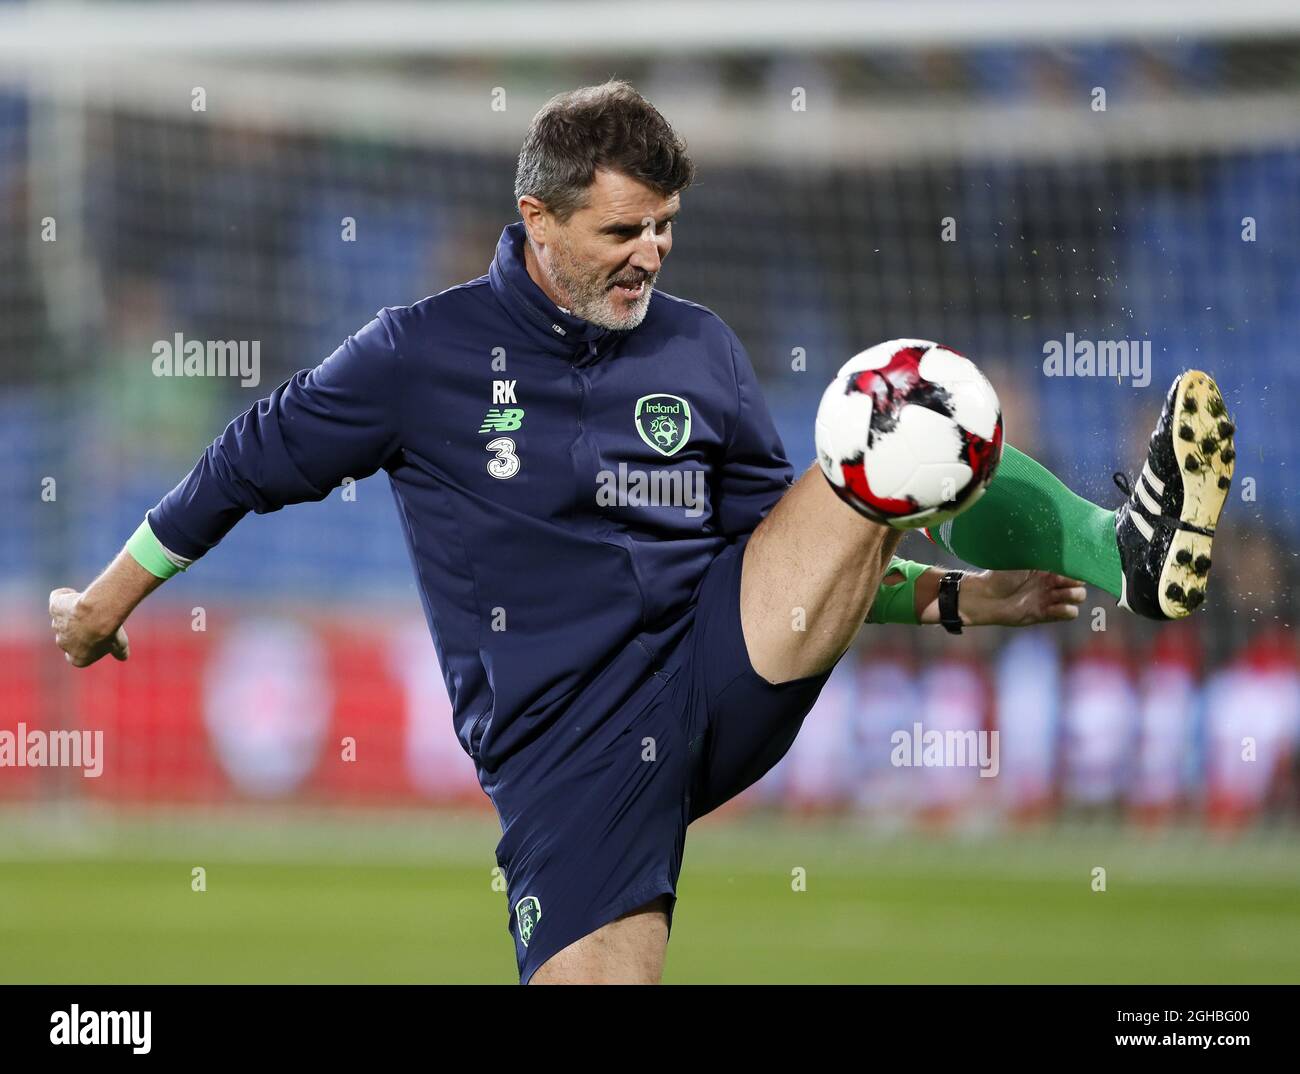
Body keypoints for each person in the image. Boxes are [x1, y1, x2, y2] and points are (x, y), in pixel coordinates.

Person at [48, 81, 1233, 984]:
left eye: (665, 225)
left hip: (717, 661)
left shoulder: (698, 348)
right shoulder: (420, 355)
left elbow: (788, 547)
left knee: (896, 406)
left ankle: (1115, 547)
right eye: (623, 231)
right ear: (537, 220)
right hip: (567, 752)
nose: (651, 254)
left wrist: (947, 599)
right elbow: (245, 460)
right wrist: (108, 598)